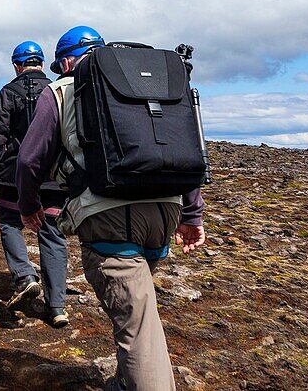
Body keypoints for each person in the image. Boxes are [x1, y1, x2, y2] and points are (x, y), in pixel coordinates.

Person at [17, 26, 206, 391]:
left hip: (106, 213)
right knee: (137, 312)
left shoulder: (60, 91)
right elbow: (183, 147)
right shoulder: (149, 85)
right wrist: (191, 213)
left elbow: (28, 160)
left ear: (68, 60)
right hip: (165, 209)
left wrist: (29, 206)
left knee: (136, 325)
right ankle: (124, 381)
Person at [0, 41, 68, 327]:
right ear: (42, 63)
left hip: (15, 174)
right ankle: (56, 307)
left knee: (8, 221)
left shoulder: (8, 92)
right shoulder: (57, 92)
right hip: (54, 176)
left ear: (16, 65)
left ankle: (25, 276)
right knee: (52, 233)